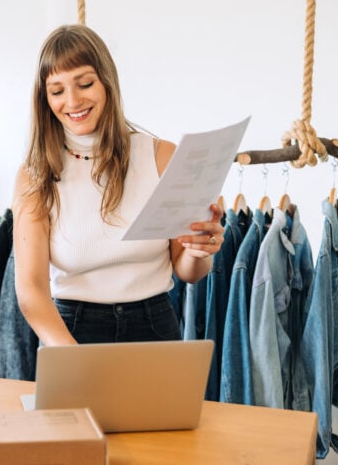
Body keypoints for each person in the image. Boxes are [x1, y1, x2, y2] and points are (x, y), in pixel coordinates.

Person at [12, 24, 224, 346]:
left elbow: (188, 272)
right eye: (57, 91)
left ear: (106, 82)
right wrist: (71, 354)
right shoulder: (35, 174)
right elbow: (30, 290)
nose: (72, 101)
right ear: (45, 99)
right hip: (70, 331)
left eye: (85, 83)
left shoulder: (162, 156)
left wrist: (199, 250)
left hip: (155, 327)